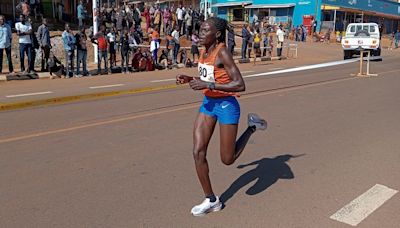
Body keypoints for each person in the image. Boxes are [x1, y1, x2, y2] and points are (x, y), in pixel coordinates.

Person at [175, 17, 267, 217]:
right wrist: (190, 79)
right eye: (200, 29)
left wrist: (208, 85)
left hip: (226, 106)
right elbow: (209, 78)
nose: (200, 33)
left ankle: (252, 127)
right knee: (198, 151)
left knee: (228, 159)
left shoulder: (222, 52)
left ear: (216, 34)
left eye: (205, 30)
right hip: (208, 104)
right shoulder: (204, 50)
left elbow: (240, 84)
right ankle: (211, 200)